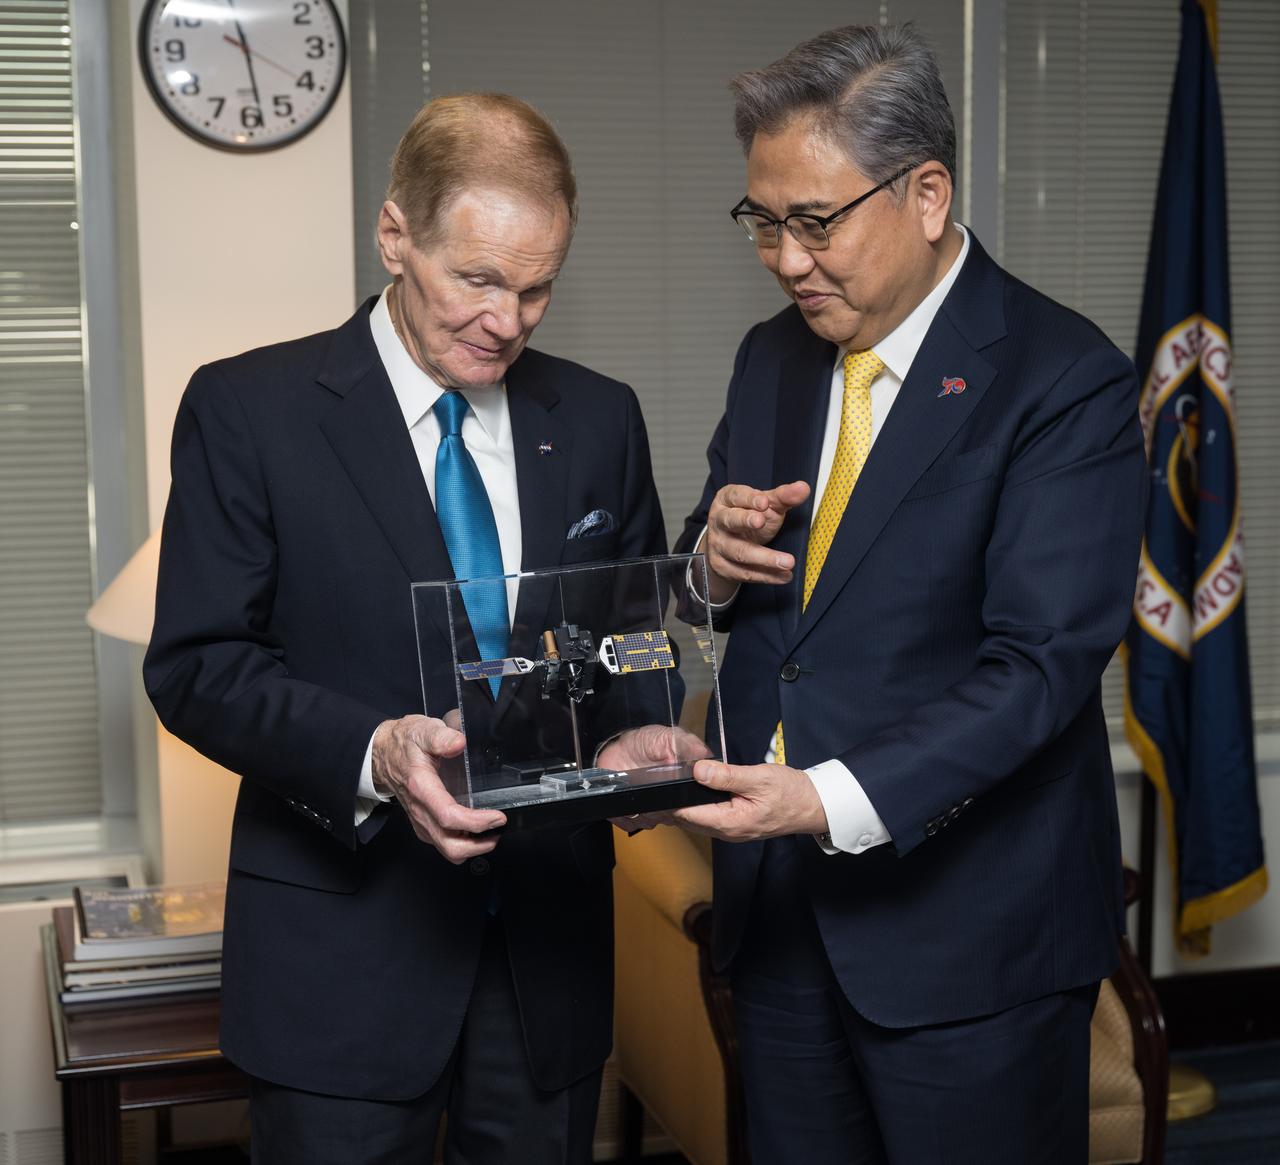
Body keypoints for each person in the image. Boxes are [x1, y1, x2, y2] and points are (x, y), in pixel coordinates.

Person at [145, 93, 677, 1164]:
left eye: (536, 288)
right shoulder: (251, 410)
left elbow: (629, 643)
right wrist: (373, 752)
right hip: (340, 959)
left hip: (545, 963)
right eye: (477, 279)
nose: (509, 319)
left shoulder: (600, 416)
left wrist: (634, 739)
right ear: (394, 234)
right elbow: (199, 666)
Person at [669, 25, 1147, 1164]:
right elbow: (714, 570)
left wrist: (821, 799)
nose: (786, 260)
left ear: (925, 194)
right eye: (762, 223)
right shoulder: (770, 357)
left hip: (970, 936)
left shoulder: (1061, 377)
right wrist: (708, 562)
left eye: (814, 222)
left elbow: (1037, 667)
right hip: (781, 922)